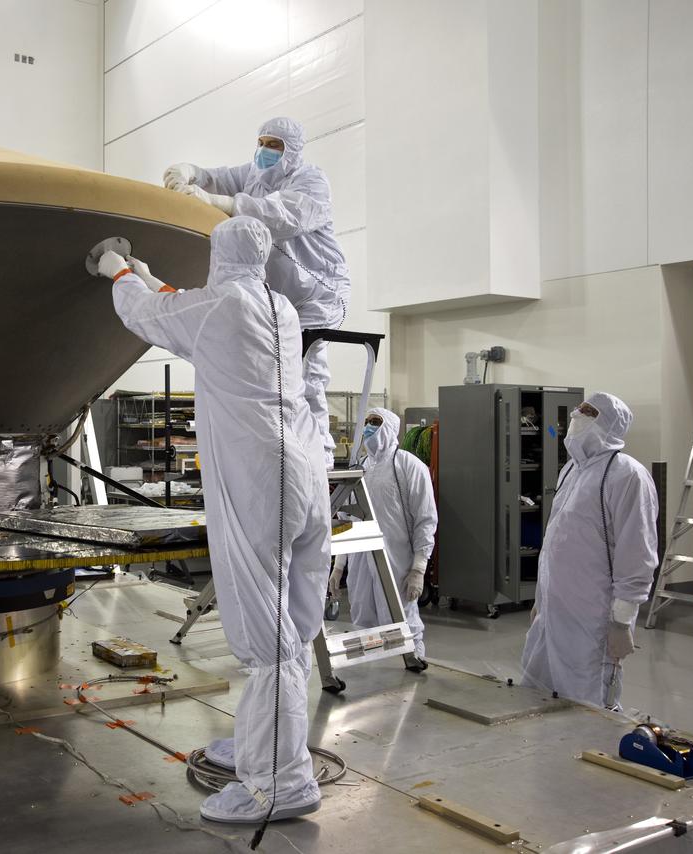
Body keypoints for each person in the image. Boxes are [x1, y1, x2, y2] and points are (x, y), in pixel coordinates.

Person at [94, 216, 331, 824]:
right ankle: (266, 744)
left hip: (259, 478)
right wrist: (151, 276)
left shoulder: (220, 306)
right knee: (293, 629)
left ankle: (276, 783)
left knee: (263, 633)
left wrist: (117, 270)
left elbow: (146, 316)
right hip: (302, 472)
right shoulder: (278, 307)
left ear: (218, 255)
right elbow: (186, 306)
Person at [163, 117, 349, 470]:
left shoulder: (310, 180)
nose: (264, 150)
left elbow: (283, 216)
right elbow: (214, 177)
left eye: (274, 144)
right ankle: (285, 450)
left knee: (304, 372)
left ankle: (318, 456)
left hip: (319, 292)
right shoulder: (252, 175)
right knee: (272, 373)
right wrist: (189, 172)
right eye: (261, 141)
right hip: (279, 298)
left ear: (291, 150)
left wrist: (224, 203)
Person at [520, 393, 658, 709]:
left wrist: (622, 621)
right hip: (554, 612)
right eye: (578, 412)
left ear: (607, 424)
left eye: (588, 413)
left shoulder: (628, 475)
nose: (577, 418)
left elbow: (637, 553)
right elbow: (556, 542)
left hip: (593, 617)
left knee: (588, 703)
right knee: (537, 692)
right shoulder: (572, 470)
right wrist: (542, 600)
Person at [341, 408, 436, 671]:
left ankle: (413, 656)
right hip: (360, 559)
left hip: (396, 558)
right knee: (361, 614)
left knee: (399, 613)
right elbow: (346, 520)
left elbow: (426, 520)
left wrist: (419, 567)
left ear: (390, 428)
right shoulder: (358, 468)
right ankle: (369, 665)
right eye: (367, 421)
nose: (370, 427)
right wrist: (339, 566)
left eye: (376, 422)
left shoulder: (409, 465)